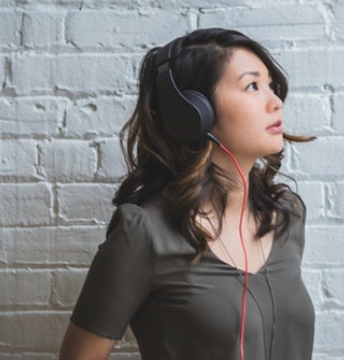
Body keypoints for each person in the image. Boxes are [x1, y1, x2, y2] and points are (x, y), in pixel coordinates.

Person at [59, 28, 315, 360]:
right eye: (252, 86)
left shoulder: (286, 216)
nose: (276, 101)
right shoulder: (144, 232)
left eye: (270, 85)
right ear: (194, 113)